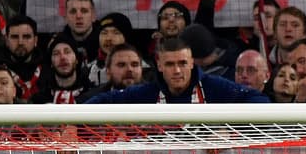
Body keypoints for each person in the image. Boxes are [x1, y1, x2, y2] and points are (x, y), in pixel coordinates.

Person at [88, 36, 269, 103]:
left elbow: (259, 100)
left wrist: (229, 129)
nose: (176, 70)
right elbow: (103, 101)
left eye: (182, 63)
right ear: (159, 65)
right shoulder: (147, 93)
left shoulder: (214, 87)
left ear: (191, 63)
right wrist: (74, 124)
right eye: (169, 64)